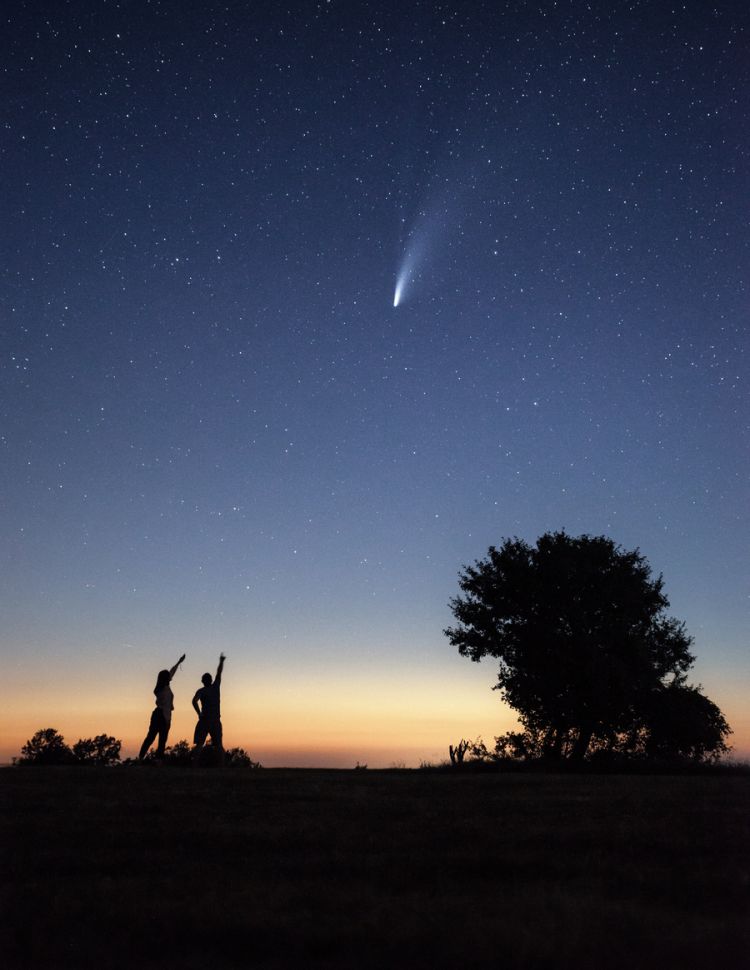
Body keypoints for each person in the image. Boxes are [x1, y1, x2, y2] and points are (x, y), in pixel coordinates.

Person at [138, 654, 186, 760]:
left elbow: (172, 671)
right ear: (165, 679)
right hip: (161, 715)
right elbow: (170, 674)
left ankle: (153, 760)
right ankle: (142, 758)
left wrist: (179, 662)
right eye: (168, 677)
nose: (170, 677)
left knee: (159, 740)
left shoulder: (164, 687)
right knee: (153, 738)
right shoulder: (160, 690)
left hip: (164, 715)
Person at [192, 653, 226, 753]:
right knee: (219, 746)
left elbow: (194, 701)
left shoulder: (201, 691)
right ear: (210, 680)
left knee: (199, 744)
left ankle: (194, 762)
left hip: (206, 720)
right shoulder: (215, 687)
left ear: (202, 681)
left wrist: (199, 713)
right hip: (214, 720)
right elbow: (219, 673)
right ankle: (222, 764)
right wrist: (221, 661)